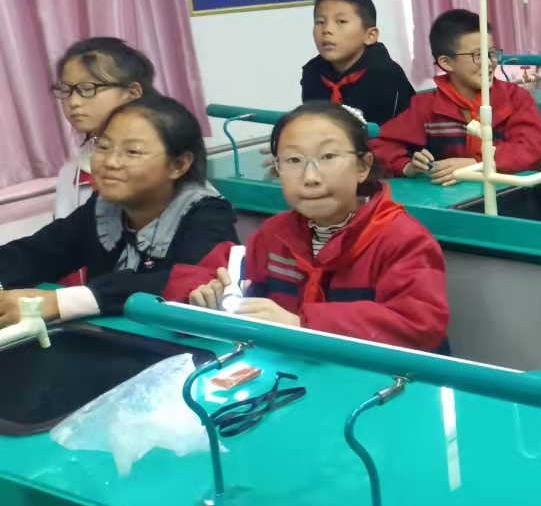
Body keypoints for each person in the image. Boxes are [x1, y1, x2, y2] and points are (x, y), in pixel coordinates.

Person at [169, 103, 448, 351]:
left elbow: (417, 324)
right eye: (293, 160)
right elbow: (210, 271)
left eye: (328, 157)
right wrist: (199, 293)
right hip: (295, 374)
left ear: (363, 166)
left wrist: (301, 324)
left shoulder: (402, 238)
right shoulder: (276, 234)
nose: (310, 177)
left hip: (382, 381)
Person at [0, 94, 238, 327]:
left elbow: (182, 283)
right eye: (104, 146)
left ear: (179, 164)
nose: (110, 162)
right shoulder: (104, 208)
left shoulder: (208, 215)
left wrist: (61, 302)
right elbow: (37, 253)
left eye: (132, 151)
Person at [372, 9, 541, 183]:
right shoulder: (427, 106)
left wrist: (477, 164)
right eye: (478, 55)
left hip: (510, 192)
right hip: (453, 197)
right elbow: (380, 145)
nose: (490, 63)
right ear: (446, 62)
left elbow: (533, 147)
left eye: (492, 53)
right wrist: (407, 166)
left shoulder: (515, 98)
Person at [50, 37, 155, 219]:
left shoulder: (162, 159)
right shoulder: (70, 173)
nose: (73, 102)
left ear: (132, 93)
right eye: (66, 90)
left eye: (88, 88)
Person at [300, 0, 415, 125]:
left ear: (370, 35)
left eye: (341, 21)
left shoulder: (385, 75)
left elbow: (396, 131)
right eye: (320, 22)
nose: (327, 30)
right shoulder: (312, 72)